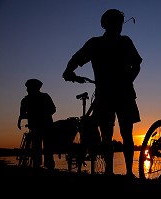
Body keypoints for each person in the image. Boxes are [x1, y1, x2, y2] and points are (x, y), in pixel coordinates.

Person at [62, 9, 142, 178]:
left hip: (118, 94)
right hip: (114, 94)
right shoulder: (98, 43)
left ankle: (121, 172)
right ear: (106, 24)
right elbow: (76, 59)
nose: (119, 26)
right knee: (113, 135)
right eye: (116, 23)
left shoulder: (112, 42)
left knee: (120, 135)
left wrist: (69, 71)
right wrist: (69, 70)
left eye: (120, 23)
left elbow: (136, 65)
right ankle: (116, 172)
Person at [17, 78, 56, 170]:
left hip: (45, 126)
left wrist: (36, 115)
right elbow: (22, 114)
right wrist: (22, 118)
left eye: (29, 87)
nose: (27, 89)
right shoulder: (25, 100)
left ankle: (47, 166)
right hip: (37, 127)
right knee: (39, 147)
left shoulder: (44, 97)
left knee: (45, 147)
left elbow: (53, 109)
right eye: (27, 88)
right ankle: (40, 165)